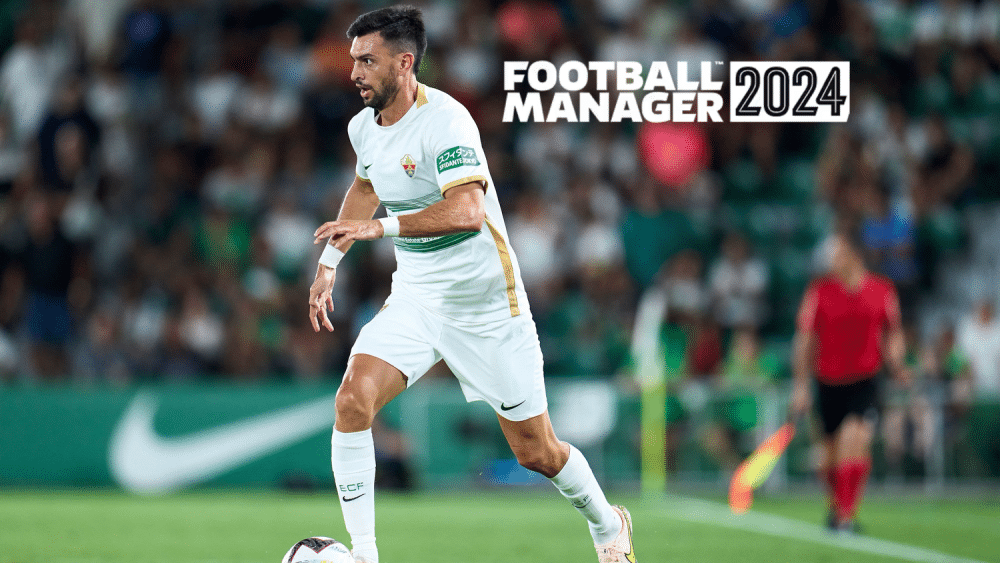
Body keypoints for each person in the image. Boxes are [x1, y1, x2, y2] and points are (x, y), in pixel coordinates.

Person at [306, 6, 635, 563]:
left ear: (404, 63)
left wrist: (380, 228)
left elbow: (466, 211)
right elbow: (365, 186)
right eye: (354, 59)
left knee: (537, 452)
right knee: (352, 401)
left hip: (487, 308)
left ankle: (609, 524)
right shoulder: (363, 127)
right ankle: (364, 554)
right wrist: (330, 262)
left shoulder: (447, 121)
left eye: (368, 60)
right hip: (417, 299)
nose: (355, 72)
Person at [791, 224, 909, 532]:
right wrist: (800, 386)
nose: (831, 259)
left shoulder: (882, 290)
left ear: (853, 254)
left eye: (837, 252)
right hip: (827, 381)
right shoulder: (819, 292)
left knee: (853, 440)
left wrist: (897, 364)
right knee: (828, 456)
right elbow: (805, 340)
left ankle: (846, 515)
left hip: (865, 380)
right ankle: (837, 508)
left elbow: (893, 333)